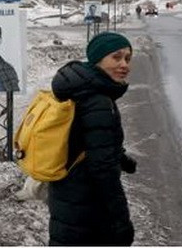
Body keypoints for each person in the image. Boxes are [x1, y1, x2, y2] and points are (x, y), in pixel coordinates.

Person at [48, 32, 136, 246]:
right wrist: (121, 220)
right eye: (116, 57)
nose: (124, 64)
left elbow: (86, 138)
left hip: (67, 192)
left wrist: (120, 157)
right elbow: (103, 170)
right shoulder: (98, 101)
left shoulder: (78, 89)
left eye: (127, 58)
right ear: (97, 59)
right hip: (89, 205)